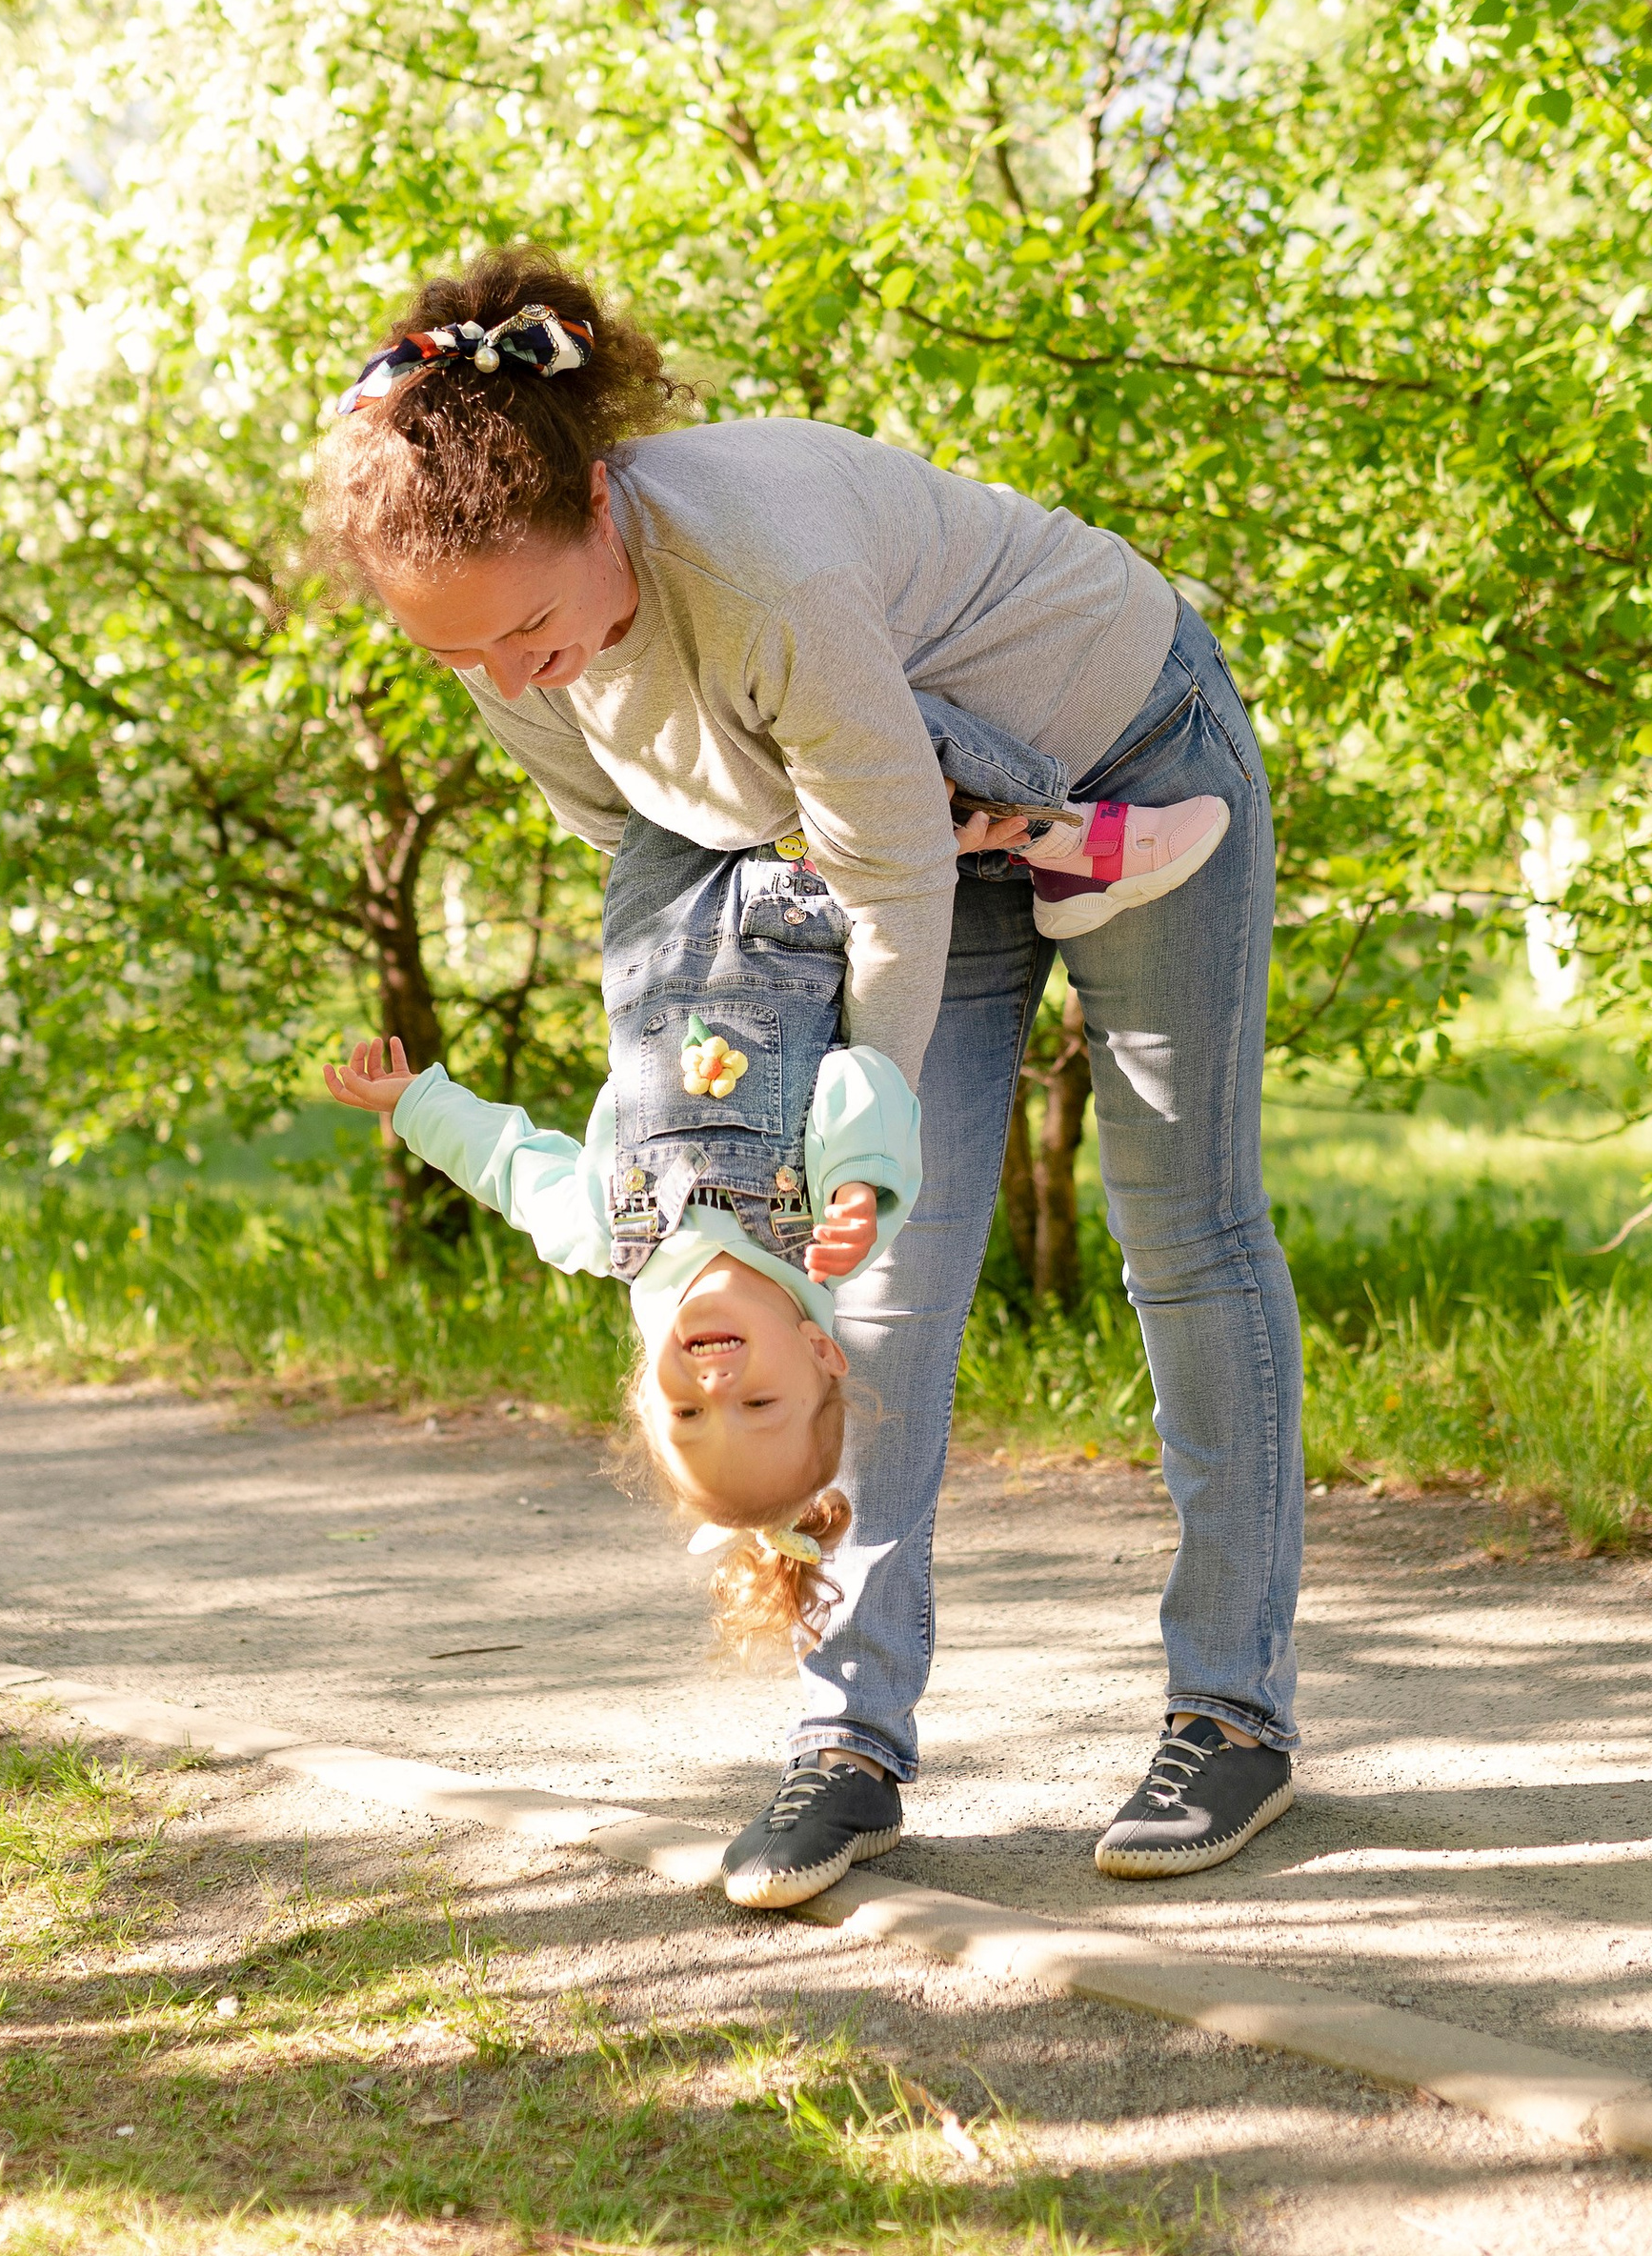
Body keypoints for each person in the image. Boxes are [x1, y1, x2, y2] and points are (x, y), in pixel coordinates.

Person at [307, 252, 1305, 1908]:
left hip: (1126, 745)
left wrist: (857, 1129)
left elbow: (890, 880)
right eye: (472, 655)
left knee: (1183, 1238)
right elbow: (670, 845)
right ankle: (848, 1744)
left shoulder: (754, 574)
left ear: (602, 502)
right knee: (876, 1289)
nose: (521, 674)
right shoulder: (507, 649)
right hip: (897, 832)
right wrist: (733, 1134)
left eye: (538, 626)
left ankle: (1233, 1712)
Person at [322, 706, 1227, 1916]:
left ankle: (997, 834)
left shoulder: (615, 1239)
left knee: (655, 711)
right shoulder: (819, 1238)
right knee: (839, 717)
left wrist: (413, 1102)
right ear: (818, 1353)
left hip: (659, 906)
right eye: (757, 1400)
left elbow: (508, 1162)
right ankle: (1042, 829)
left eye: (693, 1412)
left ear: (647, 1394)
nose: (714, 1380)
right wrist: (863, 1187)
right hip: (802, 903)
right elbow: (864, 1075)